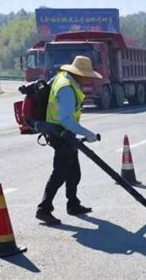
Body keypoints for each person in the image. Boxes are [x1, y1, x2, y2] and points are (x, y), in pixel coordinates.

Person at [36, 56, 102, 225]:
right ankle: (43, 209)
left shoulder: (61, 77)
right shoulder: (66, 88)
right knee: (59, 173)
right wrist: (87, 133)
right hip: (60, 134)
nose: (87, 78)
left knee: (73, 172)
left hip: (64, 133)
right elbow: (65, 118)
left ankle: (73, 204)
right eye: (86, 75)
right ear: (78, 73)